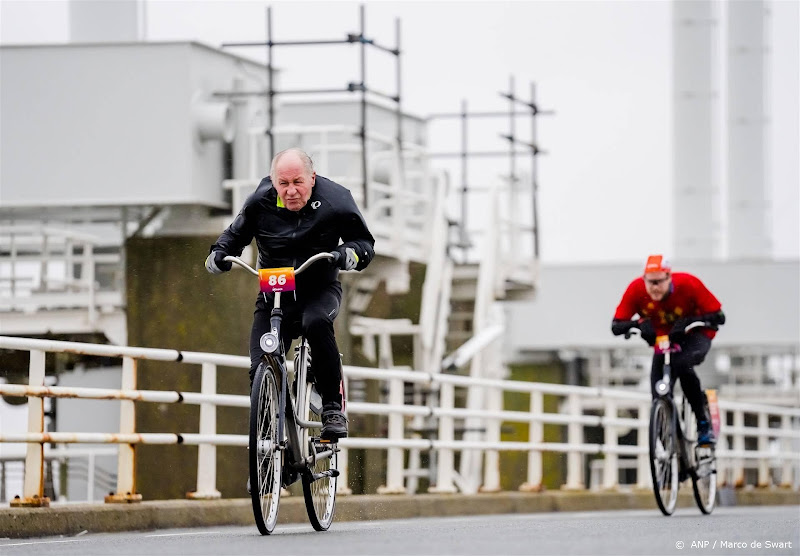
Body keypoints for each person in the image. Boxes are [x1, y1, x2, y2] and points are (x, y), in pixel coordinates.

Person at [205, 147, 375, 440]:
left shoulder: (337, 200)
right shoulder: (260, 201)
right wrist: (219, 255)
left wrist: (347, 254)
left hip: (319, 289)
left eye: (298, 182)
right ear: (274, 182)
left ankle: (333, 408)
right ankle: (270, 452)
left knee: (316, 323)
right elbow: (234, 237)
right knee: (261, 364)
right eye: (283, 184)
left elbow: (364, 244)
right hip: (275, 294)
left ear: (312, 177)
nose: (291, 191)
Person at [610, 254, 725, 445]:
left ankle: (702, 421)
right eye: (650, 282)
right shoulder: (636, 290)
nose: (655, 288)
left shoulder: (689, 284)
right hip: (665, 342)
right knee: (658, 388)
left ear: (669, 277)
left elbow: (719, 316)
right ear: (643, 280)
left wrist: (688, 321)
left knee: (682, 364)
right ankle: (667, 430)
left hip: (695, 335)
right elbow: (616, 326)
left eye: (659, 282)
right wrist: (639, 324)